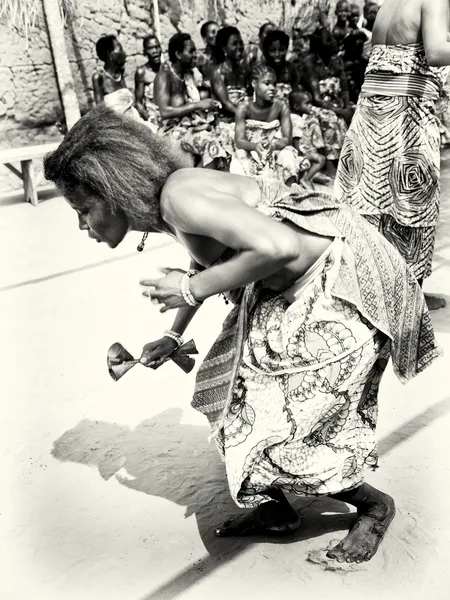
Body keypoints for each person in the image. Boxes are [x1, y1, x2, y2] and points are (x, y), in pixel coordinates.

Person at [44, 104, 441, 564]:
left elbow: (279, 246)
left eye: (83, 209)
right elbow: (213, 252)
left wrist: (190, 290)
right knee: (230, 397)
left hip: (340, 284)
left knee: (292, 419)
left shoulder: (178, 198)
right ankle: (275, 511)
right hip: (292, 283)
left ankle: (374, 507)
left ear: (111, 192)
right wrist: (173, 335)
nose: (82, 225)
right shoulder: (169, 201)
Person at [334, 0, 449, 310]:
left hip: (370, 114)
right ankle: (408, 300)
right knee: (414, 204)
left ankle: (370, 291)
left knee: (372, 205)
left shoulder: (388, 5)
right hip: (404, 114)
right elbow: (437, 52)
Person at [154, 32, 226, 169]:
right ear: (178, 54)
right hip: (171, 133)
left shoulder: (188, 75)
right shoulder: (164, 75)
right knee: (211, 145)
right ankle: (201, 184)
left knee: (225, 136)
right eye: (191, 51)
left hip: (189, 128)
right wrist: (197, 105)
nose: (195, 55)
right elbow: (164, 111)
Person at [231, 64, 307, 186]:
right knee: (240, 158)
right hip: (250, 148)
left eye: (274, 84)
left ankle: (289, 193)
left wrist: (273, 146)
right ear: (254, 84)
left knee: (287, 155)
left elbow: (287, 139)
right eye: (267, 83)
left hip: (274, 148)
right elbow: (239, 141)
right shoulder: (244, 107)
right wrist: (255, 146)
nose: (272, 88)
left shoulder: (281, 106)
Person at [296, 25, 351, 175]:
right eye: (328, 40)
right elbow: (317, 98)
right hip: (317, 105)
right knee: (331, 118)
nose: (333, 42)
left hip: (337, 104)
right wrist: (341, 111)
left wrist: (347, 108)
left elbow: (345, 89)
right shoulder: (310, 64)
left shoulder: (337, 61)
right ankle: (330, 163)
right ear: (318, 45)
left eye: (332, 38)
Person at [289, 90, 329, 187]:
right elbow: (295, 139)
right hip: (298, 152)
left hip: (300, 150)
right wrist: (299, 157)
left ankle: (307, 178)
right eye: (307, 103)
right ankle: (305, 179)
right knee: (320, 159)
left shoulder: (293, 117)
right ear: (296, 107)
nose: (310, 105)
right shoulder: (297, 120)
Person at [210, 26, 247, 118]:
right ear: (224, 48)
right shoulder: (218, 73)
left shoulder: (242, 71)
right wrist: (245, 116)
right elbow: (226, 103)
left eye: (241, 43)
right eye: (234, 44)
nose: (240, 47)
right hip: (226, 121)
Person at [261, 29, 300, 101]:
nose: (277, 54)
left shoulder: (290, 69)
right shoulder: (262, 70)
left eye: (281, 50)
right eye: (272, 50)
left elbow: (296, 93)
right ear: (266, 52)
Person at [135, 35, 162, 131]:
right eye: (150, 48)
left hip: (169, 115)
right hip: (152, 119)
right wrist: (149, 119)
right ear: (145, 51)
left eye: (157, 47)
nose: (155, 51)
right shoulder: (142, 72)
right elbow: (138, 103)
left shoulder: (166, 69)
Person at [92, 35, 127, 104]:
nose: (124, 52)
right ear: (110, 53)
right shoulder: (99, 78)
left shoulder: (120, 73)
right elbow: (101, 110)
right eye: (121, 49)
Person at [197, 21, 219, 85]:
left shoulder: (226, 56)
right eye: (213, 32)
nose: (217, 35)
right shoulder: (199, 58)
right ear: (204, 38)